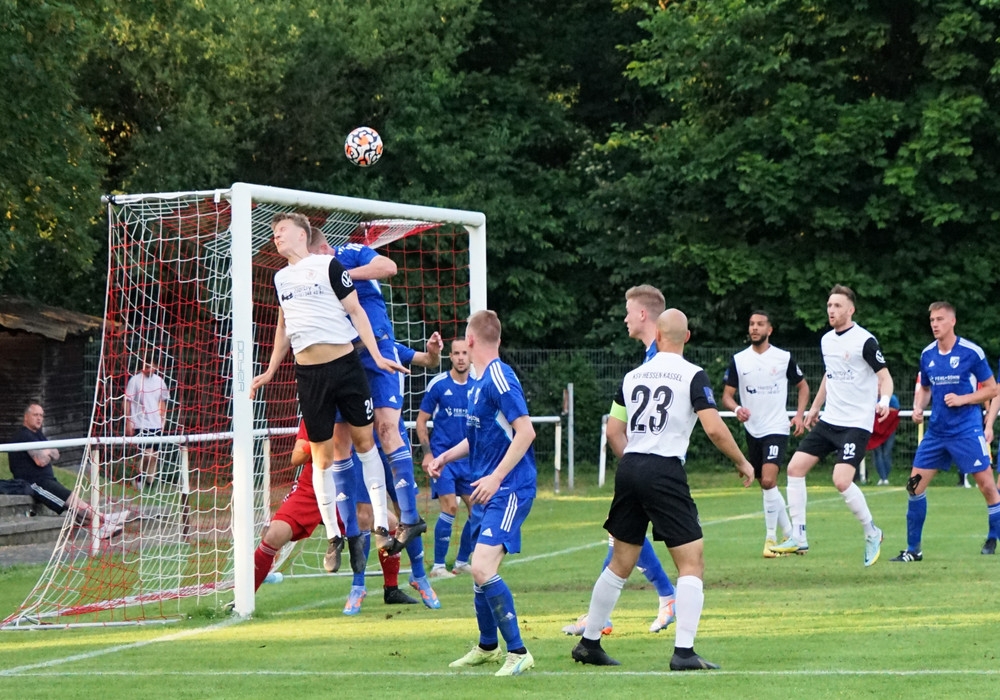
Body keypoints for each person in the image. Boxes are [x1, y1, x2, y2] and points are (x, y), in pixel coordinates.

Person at [570, 309, 754, 670]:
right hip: (664, 469)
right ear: (687, 337)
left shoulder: (632, 376)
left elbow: (613, 431)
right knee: (691, 562)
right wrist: (742, 461)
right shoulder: (693, 375)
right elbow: (714, 428)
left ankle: (589, 642)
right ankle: (684, 652)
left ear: (656, 336)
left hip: (630, 466)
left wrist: (636, 466)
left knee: (621, 562)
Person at [250, 212, 408, 576]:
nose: (276, 236)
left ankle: (379, 524)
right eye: (274, 233)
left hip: (346, 366)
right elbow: (283, 327)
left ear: (303, 235)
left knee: (365, 445)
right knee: (322, 459)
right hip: (309, 375)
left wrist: (378, 356)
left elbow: (356, 311)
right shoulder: (280, 278)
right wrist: (270, 370)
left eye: (282, 230)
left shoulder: (330, 266)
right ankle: (334, 538)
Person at [563, 285, 678, 637]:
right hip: (650, 467)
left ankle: (615, 614)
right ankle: (660, 600)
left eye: (628, 312)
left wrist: (637, 466)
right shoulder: (651, 358)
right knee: (623, 536)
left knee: (630, 537)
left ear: (643, 314)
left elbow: (618, 429)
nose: (625, 318)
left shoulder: (661, 359)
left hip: (654, 467)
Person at [429, 310, 538, 677]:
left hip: (509, 488)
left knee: (480, 567)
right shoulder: (479, 382)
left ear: (471, 341)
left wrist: (496, 478)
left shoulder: (499, 378)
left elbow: (526, 432)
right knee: (480, 568)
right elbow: (476, 437)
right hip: (486, 488)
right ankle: (488, 646)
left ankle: (519, 652)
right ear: (499, 340)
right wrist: (445, 456)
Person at [771, 285, 893, 566]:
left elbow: (885, 377)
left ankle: (872, 532)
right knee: (794, 468)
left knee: (841, 480)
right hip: (830, 420)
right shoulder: (827, 340)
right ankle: (799, 535)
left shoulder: (865, 341)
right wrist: (815, 408)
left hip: (856, 424)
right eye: (829, 305)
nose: (831, 310)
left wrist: (885, 400)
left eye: (837, 306)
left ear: (851, 310)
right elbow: (830, 374)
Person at [332, 237, 427, 555]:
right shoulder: (303, 278)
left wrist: (342, 274)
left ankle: (420, 570)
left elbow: (388, 266)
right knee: (364, 511)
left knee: (388, 431)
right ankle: (350, 549)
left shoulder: (348, 253)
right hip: (342, 363)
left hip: (385, 432)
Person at [890, 302, 1000, 561]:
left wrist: (963, 399)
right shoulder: (927, 354)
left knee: (987, 485)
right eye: (932, 320)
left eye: (940, 319)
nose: (935, 324)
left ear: (952, 321)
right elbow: (925, 388)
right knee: (913, 486)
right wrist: (918, 407)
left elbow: (992, 389)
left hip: (967, 431)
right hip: (936, 434)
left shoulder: (971, 352)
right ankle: (913, 550)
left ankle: (993, 537)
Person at [344, 335, 446, 614]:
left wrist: (433, 352)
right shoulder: (347, 347)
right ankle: (358, 585)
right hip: (361, 446)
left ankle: (419, 576)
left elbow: (428, 361)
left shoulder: (390, 347)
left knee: (406, 513)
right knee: (363, 516)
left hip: (393, 446)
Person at [721, 310, 809, 557]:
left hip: (776, 428)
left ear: (769, 330)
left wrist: (799, 415)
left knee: (769, 481)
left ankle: (770, 539)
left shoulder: (783, 358)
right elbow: (727, 395)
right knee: (766, 487)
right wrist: (736, 409)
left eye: (760, 324)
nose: (754, 328)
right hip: (753, 430)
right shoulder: (739, 360)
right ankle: (790, 534)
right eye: (751, 324)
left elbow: (803, 387)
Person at [9, 402, 126, 539]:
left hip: (47, 481)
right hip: (35, 484)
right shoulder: (24, 436)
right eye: (35, 415)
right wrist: (48, 451)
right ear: (26, 417)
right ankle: (104, 520)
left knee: (74, 503)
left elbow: (56, 453)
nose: (39, 418)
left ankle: (101, 525)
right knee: (73, 503)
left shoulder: (39, 435)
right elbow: (41, 460)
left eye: (41, 415)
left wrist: (46, 451)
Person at [417, 339, 478, 579]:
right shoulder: (439, 385)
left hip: (469, 460)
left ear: (470, 356)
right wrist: (428, 453)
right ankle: (438, 566)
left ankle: (461, 562)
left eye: (464, 353)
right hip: (443, 459)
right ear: (450, 356)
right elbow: (421, 421)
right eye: (456, 353)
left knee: (477, 510)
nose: (461, 357)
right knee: (450, 507)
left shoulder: (477, 386)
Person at [124, 357, 170, 490]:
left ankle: (148, 485)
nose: (148, 369)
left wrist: (163, 419)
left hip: (156, 423)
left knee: (154, 456)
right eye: (146, 366)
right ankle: (139, 478)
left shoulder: (160, 381)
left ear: (155, 367)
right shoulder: (135, 381)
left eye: (151, 366)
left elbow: (162, 401)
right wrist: (128, 421)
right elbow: (127, 401)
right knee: (148, 454)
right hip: (141, 423)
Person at [867, 394, 900, 485]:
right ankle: (883, 477)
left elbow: (896, 410)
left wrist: (883, 409)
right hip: (874, 431)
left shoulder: (892, 398)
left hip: (889, 430)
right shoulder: (870, 397)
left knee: (886, 453)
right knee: (877, 454)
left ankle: (885, 477)